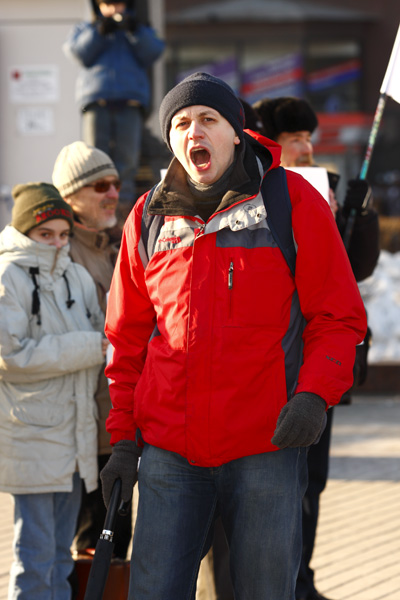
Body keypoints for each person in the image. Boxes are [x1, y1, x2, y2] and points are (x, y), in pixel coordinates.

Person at [100, 72, 367, 600]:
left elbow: (338, 317)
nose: (193, 131)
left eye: (208, 119)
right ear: (170, 140)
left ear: (237, 131)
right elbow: (126, 341)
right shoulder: (147, 218)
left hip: (266, 445)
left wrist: (314, 396)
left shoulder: (292, 202)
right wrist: (123, 439)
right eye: (180, 123)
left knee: (266, 592)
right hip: (169, 453)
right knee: (152, 591)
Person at [253, 95, 380, 600]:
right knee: (281, 486)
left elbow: (352, 273)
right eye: (294, 140)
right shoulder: (264, 194)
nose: (305, 148)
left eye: (308, 139)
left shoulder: (322, 189)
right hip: (277, 366)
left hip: (323, 369)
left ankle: (302, 579)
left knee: (316, 483)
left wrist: (356, 216)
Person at [0, 183, 107, 600]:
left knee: (61, 559)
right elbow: (9, 355)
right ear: (26, 232)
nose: (58, 243)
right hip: (32, 437)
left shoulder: (76, 275)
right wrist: (88, 348)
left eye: (64, 234)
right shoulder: (9, 276)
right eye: (47, 234)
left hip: (75, 436)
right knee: (35, 559)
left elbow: (104, 332)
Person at [52, 140, 133, 566]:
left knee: (116, 552)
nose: (113, 193)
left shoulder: (115, 245)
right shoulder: (59, 254)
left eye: (116, 183)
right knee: (87, 553)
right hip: (81, 435)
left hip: (118, 425)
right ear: (69, 197)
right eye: (100, 185)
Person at [63, 0, 165, 222]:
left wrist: (134, 30)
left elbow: (155, 51)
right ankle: (92, 211)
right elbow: (77, 53)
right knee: (93, 158)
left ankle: (121, 214)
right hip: (96, 101)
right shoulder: (87, 28)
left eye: (117, 4)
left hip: (130, 102)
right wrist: (99, 31)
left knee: (126, 161)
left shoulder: (138, 29)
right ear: (97, 6)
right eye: (106, 4)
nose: (112, 9)